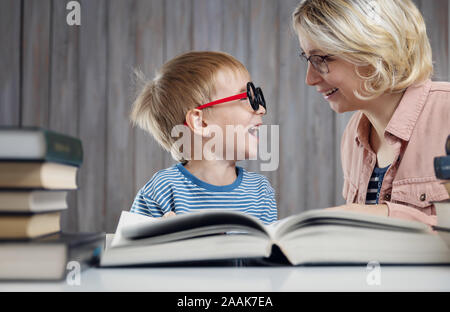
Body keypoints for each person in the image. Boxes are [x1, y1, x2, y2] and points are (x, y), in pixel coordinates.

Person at [292, 0, 450, 226]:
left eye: (322, 59)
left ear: (375, 50)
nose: (310, 79)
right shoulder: (353, 137)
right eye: (308, 59)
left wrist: (383, 216)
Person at [128, 51, 277, 225]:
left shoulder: (261, 192)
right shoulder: (161, 192)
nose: (261, 109)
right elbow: (133, 250)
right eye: (246, 97)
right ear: (200, 122)